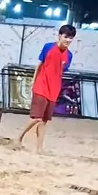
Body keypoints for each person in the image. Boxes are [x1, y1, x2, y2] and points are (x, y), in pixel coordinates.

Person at [17, 24, 77, 154]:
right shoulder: (48, 47)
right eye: (66, 37)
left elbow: (60, 71)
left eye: (71, 38)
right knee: (36, 118)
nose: (68, 40)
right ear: (59, 36)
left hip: (54, 89)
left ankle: (39, 148)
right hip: (41, 86)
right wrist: (34, 81)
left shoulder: (69, 55)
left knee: (43, 121)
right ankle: (18, 138)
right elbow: (39, 65)